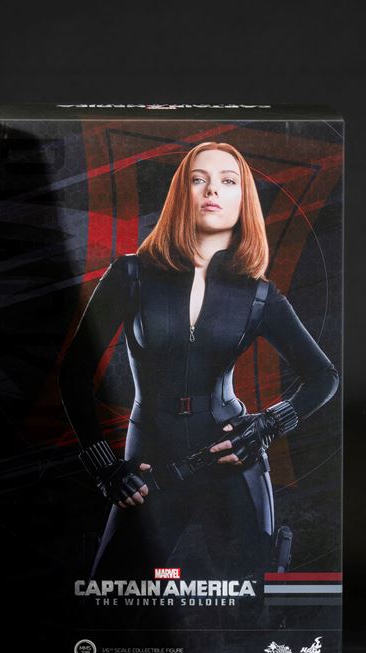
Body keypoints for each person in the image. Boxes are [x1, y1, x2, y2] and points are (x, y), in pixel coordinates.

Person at [59, 142, 338, 580]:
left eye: (228, 181)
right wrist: (104, 467)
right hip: (149, 461)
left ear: (243, 199)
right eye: (198, 179)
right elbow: (74, 375)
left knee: (249, 601)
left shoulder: (259, 295)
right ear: (181, 193)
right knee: (111, 594)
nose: (212, 190)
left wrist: (266, 426)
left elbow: (323, 376)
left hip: (233, 460)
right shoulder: (131, 275)